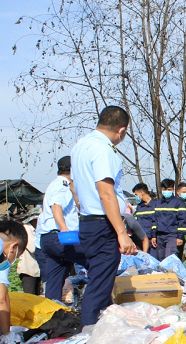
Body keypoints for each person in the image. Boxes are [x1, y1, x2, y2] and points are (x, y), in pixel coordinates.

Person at [72, 105, 136, 326]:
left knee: (99, 281)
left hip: (89, 222)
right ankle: (90, 336)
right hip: (103, 224)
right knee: (99, 286)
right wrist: (121, 233)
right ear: (122, 130)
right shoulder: (103, 149)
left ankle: (95, 329)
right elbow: (106, 193)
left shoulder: (81, 146)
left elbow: (77, 188)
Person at [38, 155, 90, 302]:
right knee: (96, 259)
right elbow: (56, 205)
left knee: (54, 281)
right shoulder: (63, 185)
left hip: (48, 240)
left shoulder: (55, 185)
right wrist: (64, 228)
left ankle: (52, 313)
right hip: (61, 238)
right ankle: (97, 302)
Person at [149, 179, 186, 260]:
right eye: (164, 189)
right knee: (161, 258)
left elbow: (182, 220)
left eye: (169, 189)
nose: (166, 191)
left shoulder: (179, 203)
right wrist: (153, 236)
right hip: (160, 236)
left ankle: (171, 273)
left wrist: (180, 236)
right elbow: (154, 220)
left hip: (172, 235)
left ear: (173, 189)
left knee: (170, 258)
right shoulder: (157, 203)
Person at [17, 217, 41, 294]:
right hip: (28, 269)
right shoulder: (26, 229)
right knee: (30, 296)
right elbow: (32, 248)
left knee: (36, 296)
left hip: (36, 269)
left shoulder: (37, 229)